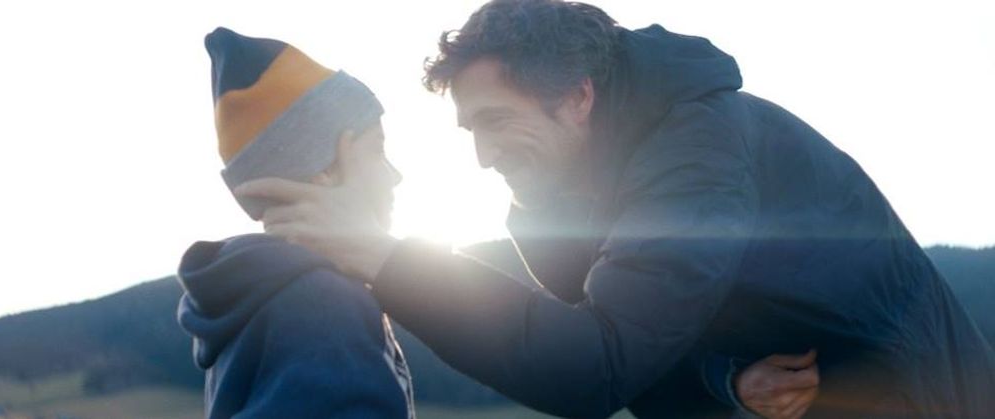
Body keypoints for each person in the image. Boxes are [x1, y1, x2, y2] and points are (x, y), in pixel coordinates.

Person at [236, 0, 995, 418]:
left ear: (577, 97)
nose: (484, 155)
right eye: (471, 130)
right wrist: (727, 383)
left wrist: (386, 258)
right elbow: (630, 370)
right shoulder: (544, 199)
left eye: (497, 122)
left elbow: (594, 371)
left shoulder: (700, 148)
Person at [176, 28, 412, 419]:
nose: (395, 175)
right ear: (323, 171)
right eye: (377, 150)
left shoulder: (257, 299)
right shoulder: (323, 302)